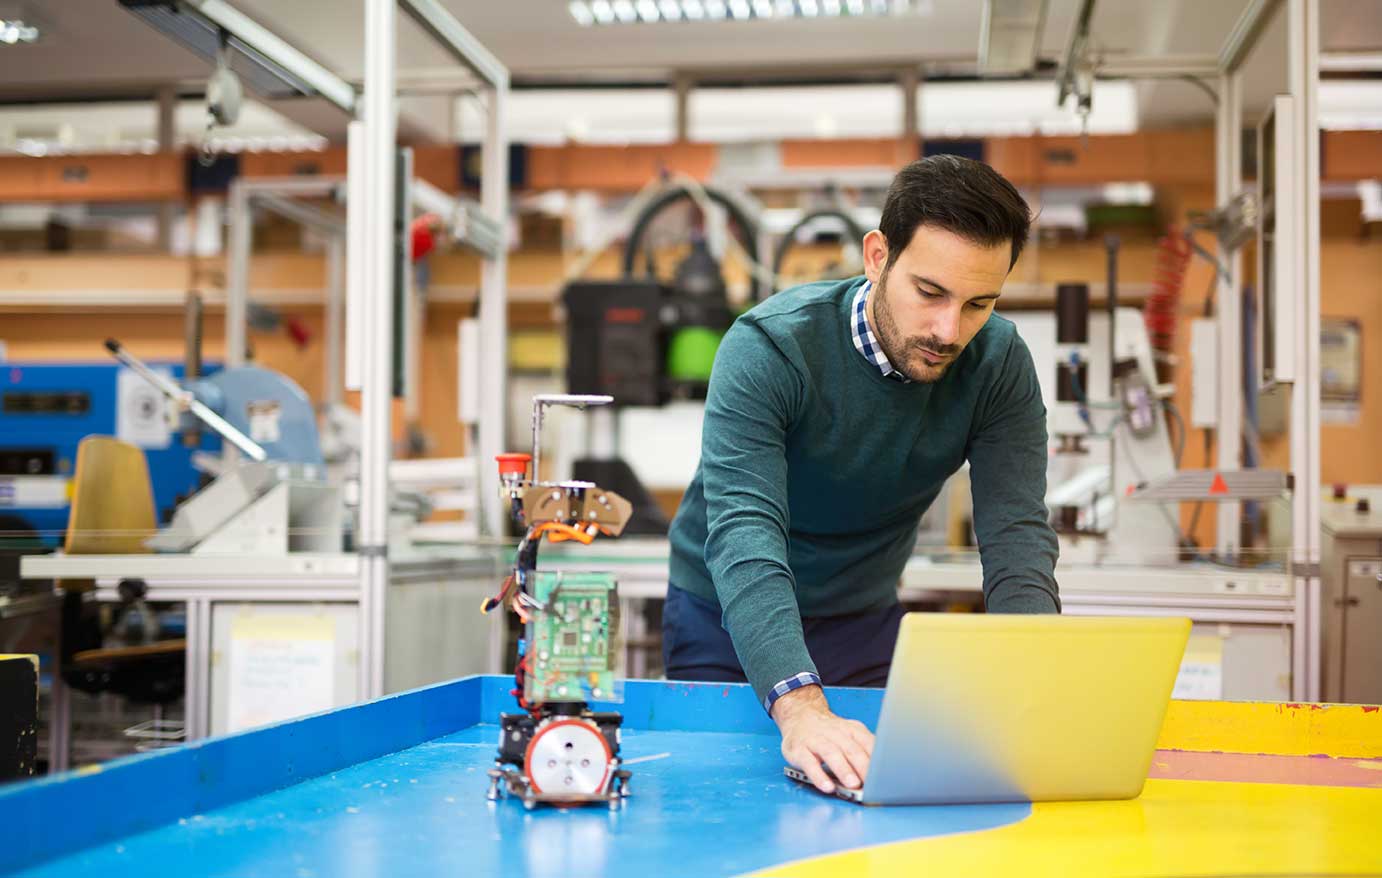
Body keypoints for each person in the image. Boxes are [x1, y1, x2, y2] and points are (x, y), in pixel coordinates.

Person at [662, 154, 1061, 794]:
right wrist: (799, 707)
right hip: (725, 618)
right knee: (727, 808)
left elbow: (1015, 536)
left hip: (861, 616)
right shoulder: (770, 348)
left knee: (867, 811)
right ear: (877, 257)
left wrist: (1039, 686)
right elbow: (745, 534)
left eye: (979, 303)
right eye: (930, 292)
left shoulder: (998, 364)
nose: (948, 329)